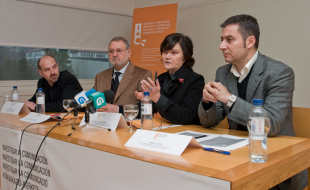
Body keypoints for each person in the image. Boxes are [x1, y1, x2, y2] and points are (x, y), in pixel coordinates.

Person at [198, 14, 306, 190]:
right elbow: (210, 121)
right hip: (235, 157)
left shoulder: (280, 73)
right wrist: (207, 101)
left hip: (275, 165)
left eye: (229, 40)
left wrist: (229, 99)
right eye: (221, 39)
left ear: (250, 42)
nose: (221, 46)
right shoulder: (223, 72)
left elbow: (271, 124)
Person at [136, 33, 205, 125]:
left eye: (174, 52)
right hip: (166, 129)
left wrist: (158, 99)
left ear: (185, 57)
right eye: (165, 52)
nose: (167, 56)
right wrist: (145, 101)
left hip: (187, 133)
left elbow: (186, 116)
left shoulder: (196, 80)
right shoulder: (161, 78)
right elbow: (146, 112)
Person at [93, 36, 152, 114]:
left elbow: (146, 107)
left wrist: (119, 109)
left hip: (127, 124)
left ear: (129, 52)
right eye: (111, 51)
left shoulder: (143, 75)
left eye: (119, 51)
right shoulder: (100, 76)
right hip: (101, 123)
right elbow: (92, 101)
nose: (114, 54)